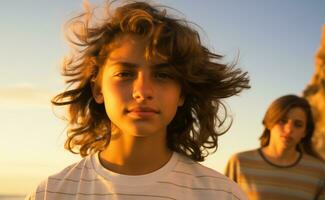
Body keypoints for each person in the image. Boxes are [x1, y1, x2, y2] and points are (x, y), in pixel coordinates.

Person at [26, 1, 250, 199]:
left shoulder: (222, 194)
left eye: (163, 75)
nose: (143, 91)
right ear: (98, 89)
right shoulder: (51, 193)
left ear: (181, 94)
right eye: (125, 74)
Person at [225, 95, 325, 200]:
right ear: (269, 122)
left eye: (298, 124)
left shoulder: (319, 171)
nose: (289, 129)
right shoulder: (239, 162)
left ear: (305, 132)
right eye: (283, 121)